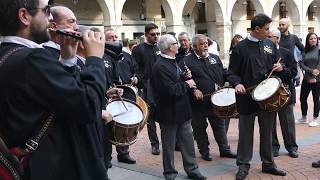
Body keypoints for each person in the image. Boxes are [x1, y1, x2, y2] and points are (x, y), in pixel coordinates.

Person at [0, 0, 109, 179]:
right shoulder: (33, 59)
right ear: (24, 16)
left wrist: (67, 61)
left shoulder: (8, 53)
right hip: (51, 167)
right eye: (46, 10)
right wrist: (95, 59)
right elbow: (88, 105)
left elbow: (57, 99)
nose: (50, 17)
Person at [228, 13, 287, 180]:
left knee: (268, 132)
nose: (269, 33)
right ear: (257, 29)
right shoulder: (240, 48)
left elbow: (277, 62)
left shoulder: (269, 44)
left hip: (267, 97)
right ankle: (243, 165)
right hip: (246, 97)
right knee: (245, 133)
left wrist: (279, 66)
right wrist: (237, 83)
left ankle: (268, 164)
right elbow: (231, 72)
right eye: (267, 29)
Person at [151, 34, 206, 180]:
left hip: (183, 110)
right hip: (168, 113)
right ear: (170, 47)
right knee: (169, 146)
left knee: (188, 143)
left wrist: (183, 77)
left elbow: (174, 81)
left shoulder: (172, 60)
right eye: (176, 43)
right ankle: (169, 173)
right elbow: (170, 90)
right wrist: (187, 84)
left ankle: (192, 169)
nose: (179, 45)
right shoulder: (159, 65)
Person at [181, 34, 236, 161]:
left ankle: (224, 150)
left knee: (219, 126)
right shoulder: (186, 61)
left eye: (206, 43)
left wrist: (233, 82)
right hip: (198, 103)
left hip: (216, 101)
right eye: (202, 44)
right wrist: (194, 89)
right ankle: (204, 151)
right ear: (194, 46)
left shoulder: (215, 58)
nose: (206, 45)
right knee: (199, 128)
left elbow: (224, 74)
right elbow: (184, 79)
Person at [103, 29, 137, 166]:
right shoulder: (103, 57)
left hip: (124, 93)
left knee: (122, 124)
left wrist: (136, 77)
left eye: (116, 37)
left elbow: (136, 69)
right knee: (109, 127)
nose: (114, 39)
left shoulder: (125, 55)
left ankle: (123, 153)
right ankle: (107, 158)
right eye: (110, 37)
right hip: (108, 95)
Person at [268, 29, 298, 158]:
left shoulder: (287, 53)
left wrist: (282, 69)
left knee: (288, 123)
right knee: (270, 123)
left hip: (284, 93)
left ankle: (292, 147)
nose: (268, 39)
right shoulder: (263, 53)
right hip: (269, 94)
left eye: (271, 37)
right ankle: (274, 147)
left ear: (278, 38)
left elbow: (294, 72)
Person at [132, 23, 161, 155]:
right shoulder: (139, 49)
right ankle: (154, 144)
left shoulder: (160, 47)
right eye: (153, 34)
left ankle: (174, 142)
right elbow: (135, 68)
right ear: (146, 35)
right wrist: (139, 79)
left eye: (157, 34)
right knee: (150, 118)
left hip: (162, 86)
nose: (156, 36)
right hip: (146, 87)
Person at [298, 32, 320, 127]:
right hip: (306, 78)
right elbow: (301, 64)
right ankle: (304, 117)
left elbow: (319, 65)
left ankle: (315, 118)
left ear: (317, 40)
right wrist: (311, 71)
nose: (313, 40)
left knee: (316, 99)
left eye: (314, 38)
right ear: (308, 40)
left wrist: (315, 77)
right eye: (311, 39)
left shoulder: (319, 50)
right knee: (302, 98)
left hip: (317, 80)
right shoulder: (305, 51)